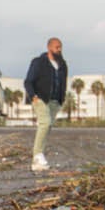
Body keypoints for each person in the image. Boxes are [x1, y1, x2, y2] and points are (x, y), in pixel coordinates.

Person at [22, 37, 69, 171]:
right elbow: (28, 81)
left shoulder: (62, 64)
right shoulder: (39, 62)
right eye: (57, 47)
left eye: (60, 47)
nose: (59, 50)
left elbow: (63, 83)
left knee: (48, 127)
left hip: (55, 101)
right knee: (45, 123)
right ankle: (37, 155)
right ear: (49, 48)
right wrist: (33, 96)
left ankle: (40, 156)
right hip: (41, 98)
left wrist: (62, 98)